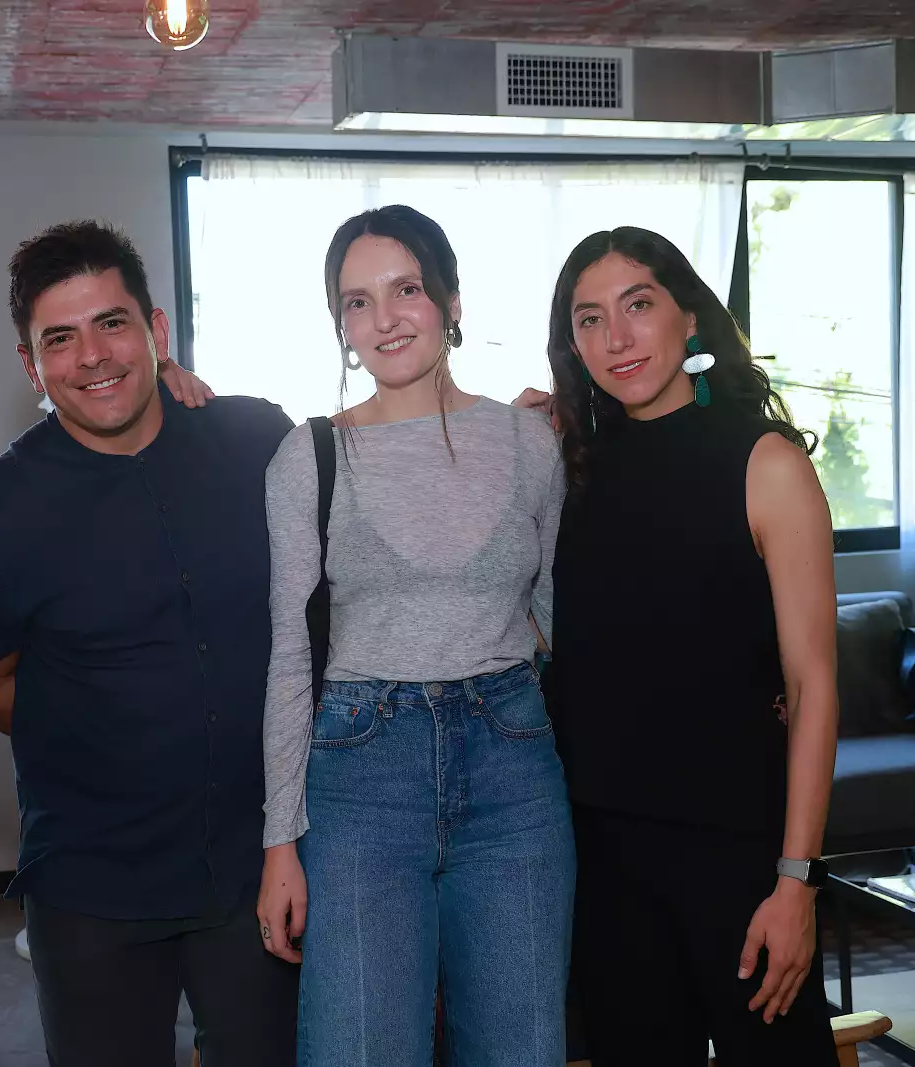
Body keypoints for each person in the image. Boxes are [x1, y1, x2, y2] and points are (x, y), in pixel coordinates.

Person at [0, 220, 299, 1066]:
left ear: (158, 331)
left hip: (259, 864)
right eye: (59, 339)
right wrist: (84, 722)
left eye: (112, 322)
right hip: (92, 884)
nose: (93, 356)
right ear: (32, 366)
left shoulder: (257, 441)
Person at [258, 205, 574, 1066]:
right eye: (357, 302)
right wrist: (279, 842)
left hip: (513, 768)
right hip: (362, 777)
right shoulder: (309, 456)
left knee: (523, 1050)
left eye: (406, 290)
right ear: (340, 325)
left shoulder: (528, 441)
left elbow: (551, 614)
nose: (385, 317)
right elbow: (289, 655)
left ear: (452, 302)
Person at [539, 226, 839, 1066]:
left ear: (692, 319)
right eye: (589, 319)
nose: (617, 338)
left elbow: (812, 687)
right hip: (603, 862)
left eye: (638, 305)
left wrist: (796, 881)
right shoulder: (567, 465)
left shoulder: (765, 461)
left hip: (741, 859)